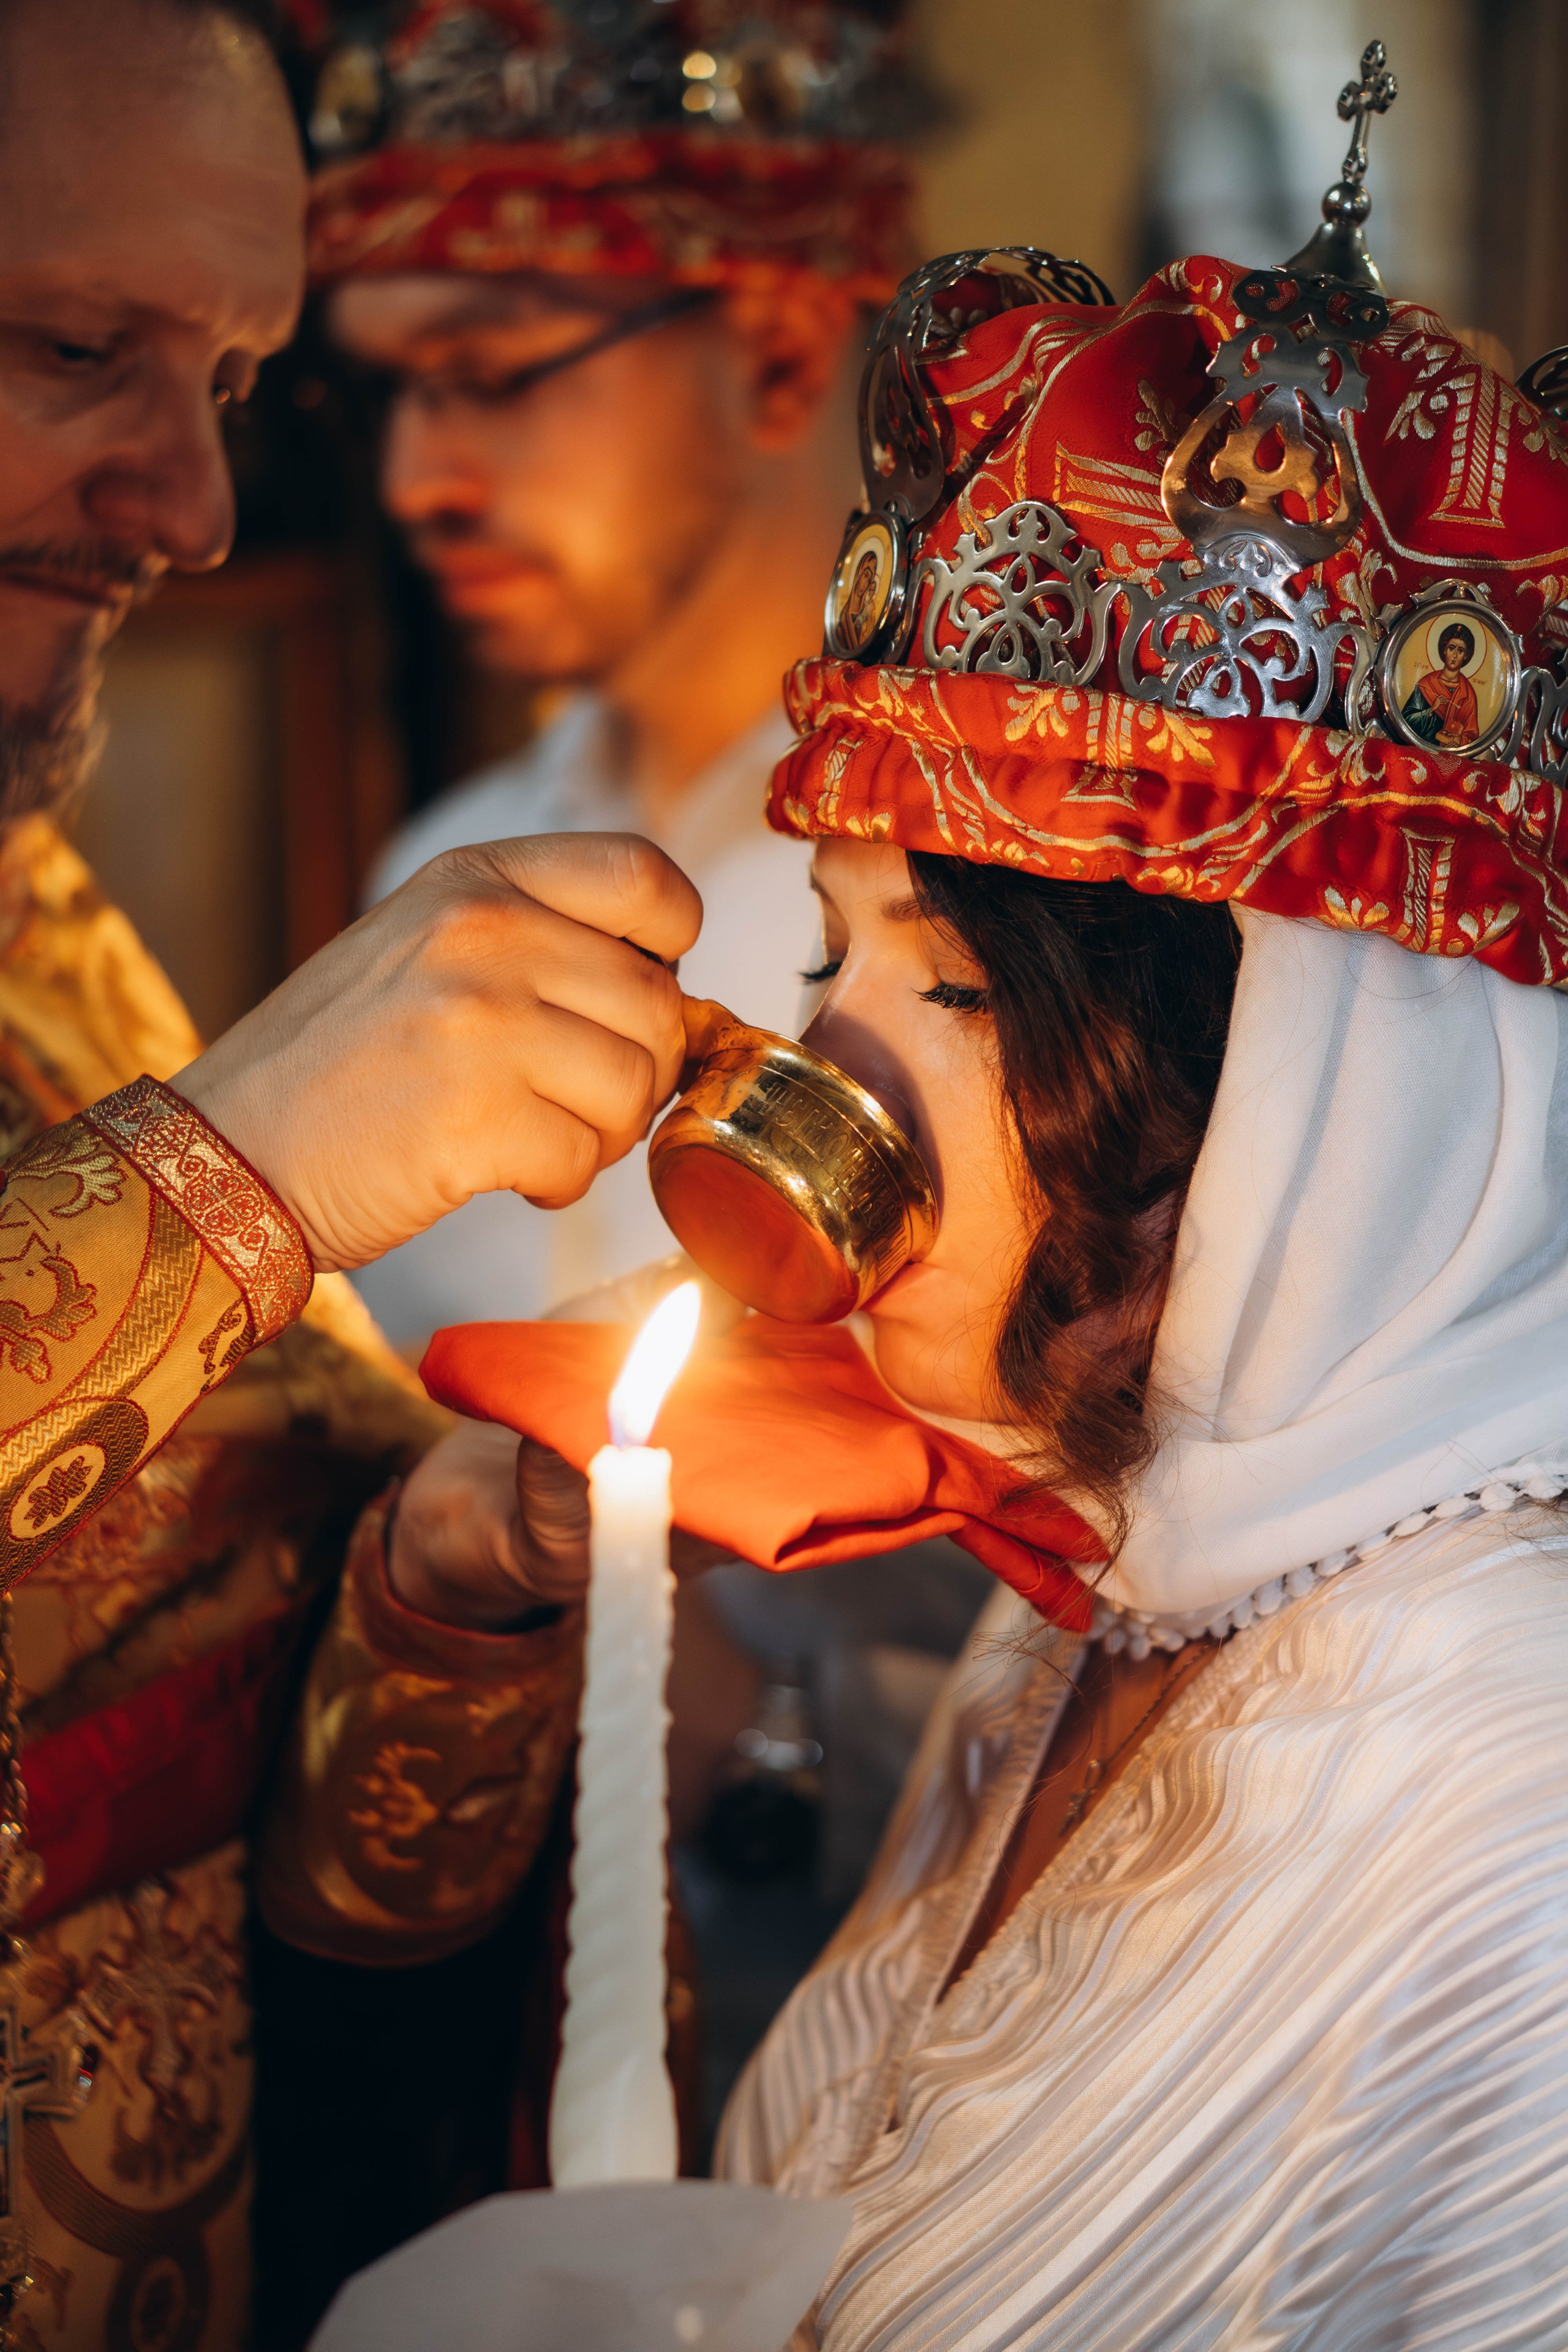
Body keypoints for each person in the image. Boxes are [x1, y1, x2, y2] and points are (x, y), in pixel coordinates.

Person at [407, 247, 1568, 2342]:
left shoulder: (1514, 1778)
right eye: (824, 956)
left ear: (1293, 1080)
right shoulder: (1116, 1597)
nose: (821, 1065)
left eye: (944, 981)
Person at [0, 1, 703, 2343]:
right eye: (74, 347)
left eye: (225, 385)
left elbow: (185, 1675)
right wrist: (244, 1158)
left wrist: (438, 1591)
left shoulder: (33, 921)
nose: (194, 512)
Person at [300, 0, 929, 1341]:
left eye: (488, 376)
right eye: (388, 394)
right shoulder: (443, 871)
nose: (414, 482)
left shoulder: (986, 903)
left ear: (777, 353)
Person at [1400, 618, 1480, 744]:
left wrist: (1460, 740)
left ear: (1466, 656)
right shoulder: (1427, 684)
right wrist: (1431, 710)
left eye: (1460, 651)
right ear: (1444, 650)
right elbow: (1406, 720)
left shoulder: (1468, 694)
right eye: (1451, 648)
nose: (1455, 655)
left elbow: (1472, 735)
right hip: (1417, 747)